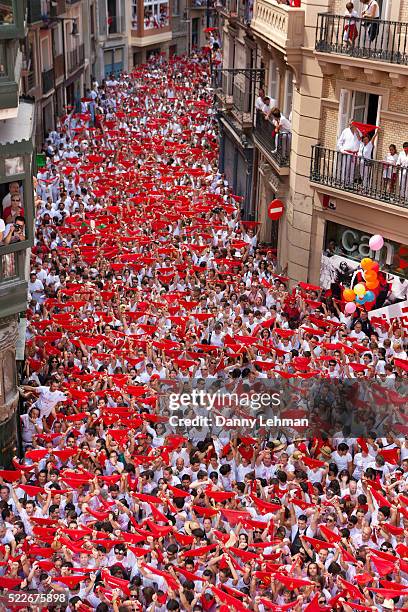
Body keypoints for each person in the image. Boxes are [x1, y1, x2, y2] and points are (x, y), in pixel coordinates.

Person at [336, 121, 361, 186]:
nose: (350, 125)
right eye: (349, 124)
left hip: (354, 154)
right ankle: (343, 182)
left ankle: (350, 183)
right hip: (346, 153)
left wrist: (357, 132)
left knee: (352, 170)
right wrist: (342, 150)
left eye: (352, 124)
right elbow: (339, 142)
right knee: (345, 168)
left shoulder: (358, 131)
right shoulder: (345, 131)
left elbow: (361, 140)